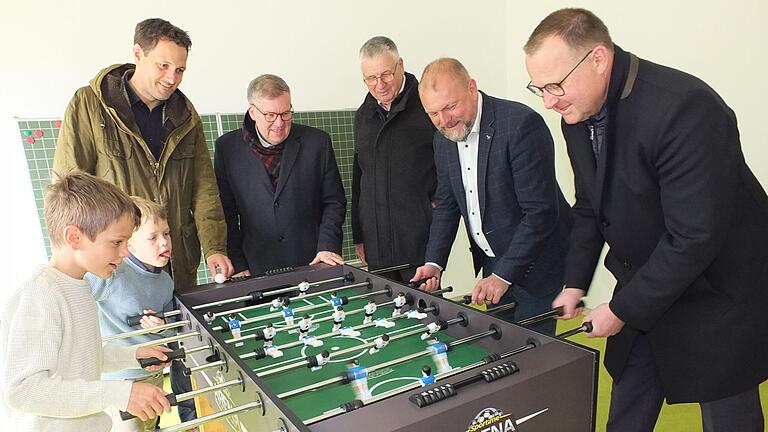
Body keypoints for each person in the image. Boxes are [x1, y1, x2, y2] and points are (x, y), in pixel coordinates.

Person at [524, 8, 768, 431]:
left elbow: (694, 236)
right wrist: (575, 281)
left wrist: (620, 308)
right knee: (629, 398)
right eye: (539, 88)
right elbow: (589, 205)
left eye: (555, 85)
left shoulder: (685, 108)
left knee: (728, 414)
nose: (548, 101)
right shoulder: (577, 114)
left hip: (720, 290)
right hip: (647, 282)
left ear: (598, 59)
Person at [52, 18, 233, 292]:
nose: (172, 78)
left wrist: (214, 247)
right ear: (138, 54)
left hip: (177, 260)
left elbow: (204, 189)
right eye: (163, 65)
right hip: (119, 267)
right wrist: (73, 268)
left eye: (180, 69)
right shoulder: (89, 105)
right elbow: (68, 189)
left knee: (179, 330)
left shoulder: (186, 116)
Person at [1, 171, 172, 431]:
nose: (125, 252)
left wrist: (132, 355)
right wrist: (119, 394)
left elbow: (79, 358)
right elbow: (23, 390)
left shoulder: (79, 285)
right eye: (117, 242)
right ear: (74, 237)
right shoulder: (40, 295)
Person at [411, 58, 571, 335]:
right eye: (433, 113)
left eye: (450, 107)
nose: (444, 121)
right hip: (493, 263)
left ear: (472, 88)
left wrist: (503, 275)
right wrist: (433, 262)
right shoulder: (442, 139)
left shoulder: (520, 125)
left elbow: (540, 212)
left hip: (537, 264)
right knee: (501, 348)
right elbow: (447, 205)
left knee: (535, 360)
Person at [214, 74, 346, 277]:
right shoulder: (227, 149)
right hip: (255, 268)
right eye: (270, 115)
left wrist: (327, 246)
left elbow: (334, 201)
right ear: (252, 112)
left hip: (314, 262)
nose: (279, 123)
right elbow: (227, 213)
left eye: (286, 113)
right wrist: (238, 264)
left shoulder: (317, 143)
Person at [86, 196, 177, 432]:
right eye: (153, 237)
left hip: (153, 372)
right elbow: (75, 295)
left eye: (166, 234)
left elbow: (172, 321)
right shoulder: (110, 273)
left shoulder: (165, 281)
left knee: (151, 425)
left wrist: (161, 325)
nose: (164, 243)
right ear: (130, 244)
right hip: (121, 379)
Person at [353, 36, 437, 282]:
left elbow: (450, 159)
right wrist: (360, 235)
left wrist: (438, 200)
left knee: (424, 314)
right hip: (376, 245)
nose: (379, 84)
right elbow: (360, 178)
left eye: (386, 74)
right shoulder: (363, 115)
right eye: (371, 78)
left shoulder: (427, 106)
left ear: (401, 65)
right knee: (384, 315)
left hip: (418, 243)